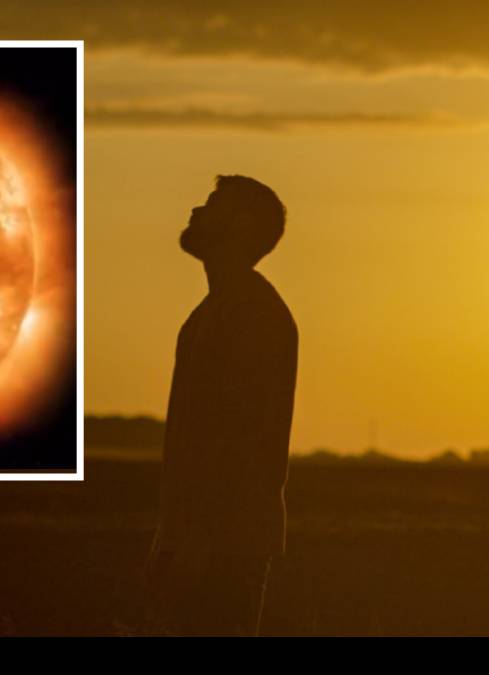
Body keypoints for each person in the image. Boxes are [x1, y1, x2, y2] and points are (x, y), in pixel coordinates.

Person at [144, 174, 298, 636]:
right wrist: (170, 536)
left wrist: (196, 540)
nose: (196, 212)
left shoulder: (253, 313)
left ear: (242, 222)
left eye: (212, 204)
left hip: (226, 545)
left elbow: (240, 437)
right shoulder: (212, 312)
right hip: (207, 539)